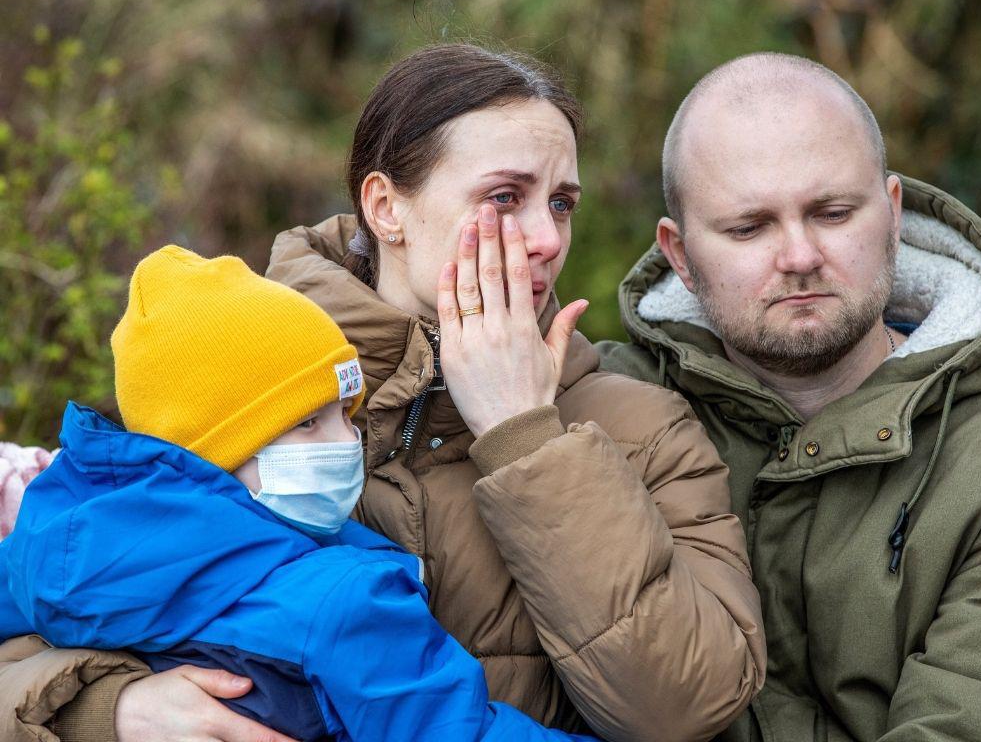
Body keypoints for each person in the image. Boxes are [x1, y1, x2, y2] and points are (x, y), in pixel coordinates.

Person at [0, 45, 766, 742]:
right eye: (505, 196)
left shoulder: (642, 423)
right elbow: (62, 596)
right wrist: (108, 711)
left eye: (561, 203)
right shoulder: (234, 370)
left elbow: (686, 711)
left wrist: (525, 436)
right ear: (385, 207)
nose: (546, 238)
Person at [2, 244, 601, 742]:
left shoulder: (47, 552)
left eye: (345, 413)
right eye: (308, 422)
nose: (348, 442)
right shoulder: (345, 602)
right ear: (217, 449)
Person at [598, 52, 981, 740]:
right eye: (749, 227)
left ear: (890, 212)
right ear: (678, 253)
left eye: (831, 212)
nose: (799, 256)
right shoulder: (600, 413)